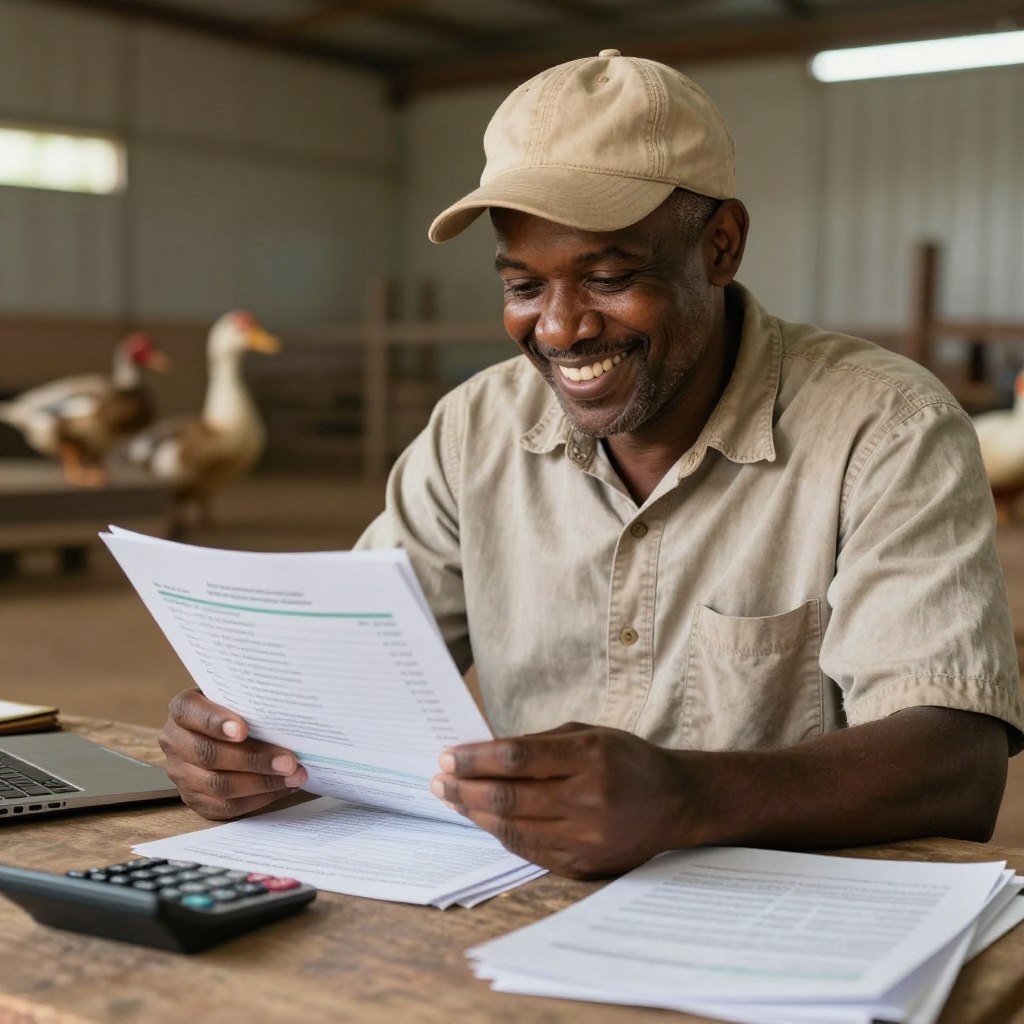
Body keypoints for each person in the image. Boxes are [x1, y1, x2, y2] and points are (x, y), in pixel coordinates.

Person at [159, 50, 1023, 879]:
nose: (560, 328)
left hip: (785, 922)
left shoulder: (885, 429)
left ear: (721, 245)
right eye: (523, 286)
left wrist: (691, 797)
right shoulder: (473, 432)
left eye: (608, 276)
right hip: (515, 901)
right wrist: (244, 744)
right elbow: (342, 679)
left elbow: (957, 762)